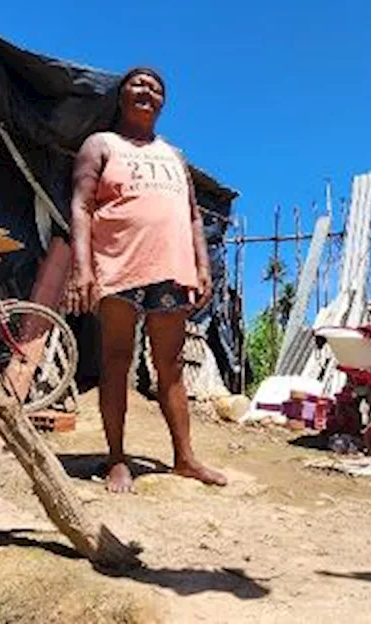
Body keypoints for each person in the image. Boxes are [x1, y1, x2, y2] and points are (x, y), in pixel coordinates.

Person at [67, 67, 228, 493]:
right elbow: (81, 206)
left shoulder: (174, 155)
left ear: (162, 104)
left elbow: (193, 215)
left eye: (156, 88)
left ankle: (185, 458)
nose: (147, 91)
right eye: (137, 84)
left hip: (171, 271)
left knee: (170, 367)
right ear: (121, 97)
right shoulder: (101, 144)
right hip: (119, 267)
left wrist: (202, 265)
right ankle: (117, 459)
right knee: (116, 360)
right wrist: (82, 268)